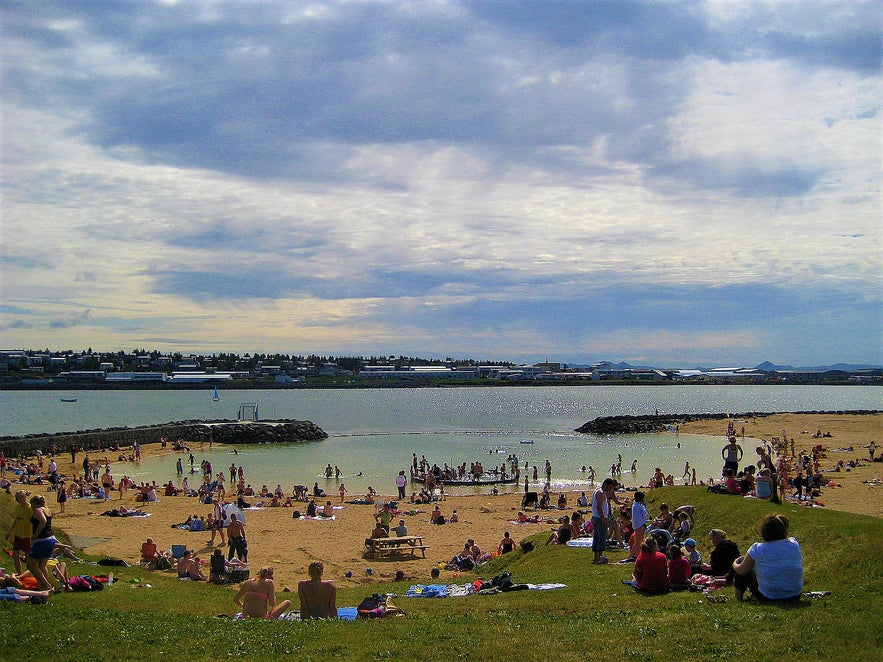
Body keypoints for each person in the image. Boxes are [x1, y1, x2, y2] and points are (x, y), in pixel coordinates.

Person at [732, 513, 803, 603]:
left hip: (769, 597)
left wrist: (734, 563)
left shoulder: (757, 548)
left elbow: (742, 571)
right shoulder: (794, 543)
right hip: (795, 596)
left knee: (742, 561)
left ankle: (738, 598)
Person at [27, 495, 56, 590]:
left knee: (31, 565)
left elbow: (43, 521)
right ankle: (43, 586)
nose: (31, 507)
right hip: (50, 538)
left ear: (35, 503)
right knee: (42, 565)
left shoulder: (38, 510)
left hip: (42, 540)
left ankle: (47, 585)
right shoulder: (47, 510)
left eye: (32, 504)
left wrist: (36, 534)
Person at [6, 491, 32, 575]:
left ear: (23, 498)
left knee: (28, 556)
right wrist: (10, 531)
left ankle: (29, 572)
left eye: (17, 498)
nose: (16, 500)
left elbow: (33, 521)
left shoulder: (29, 508)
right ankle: (20, 572)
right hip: (18, 534)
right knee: (15, 555)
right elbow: (16, 520)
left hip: (27, 534)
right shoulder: (18, 507)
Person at [591, 478, 616, 564]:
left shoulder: (596, 490)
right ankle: (599, 557)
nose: (610, 489)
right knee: (601, 538)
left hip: (595, 516)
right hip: (599, 517)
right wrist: (603, 519)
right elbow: (599, 507)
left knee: (596, 537)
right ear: (606, 484)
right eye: (609, 487)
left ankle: (596, 556)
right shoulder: (601, 493)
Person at [629, 491, 649, 561]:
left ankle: (630, 555)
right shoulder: (638, 506)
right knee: (638, 542)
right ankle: (638, 556)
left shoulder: (635, 505)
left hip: (637, 524)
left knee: (637, 541)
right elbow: (644, 514)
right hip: (639, 525)